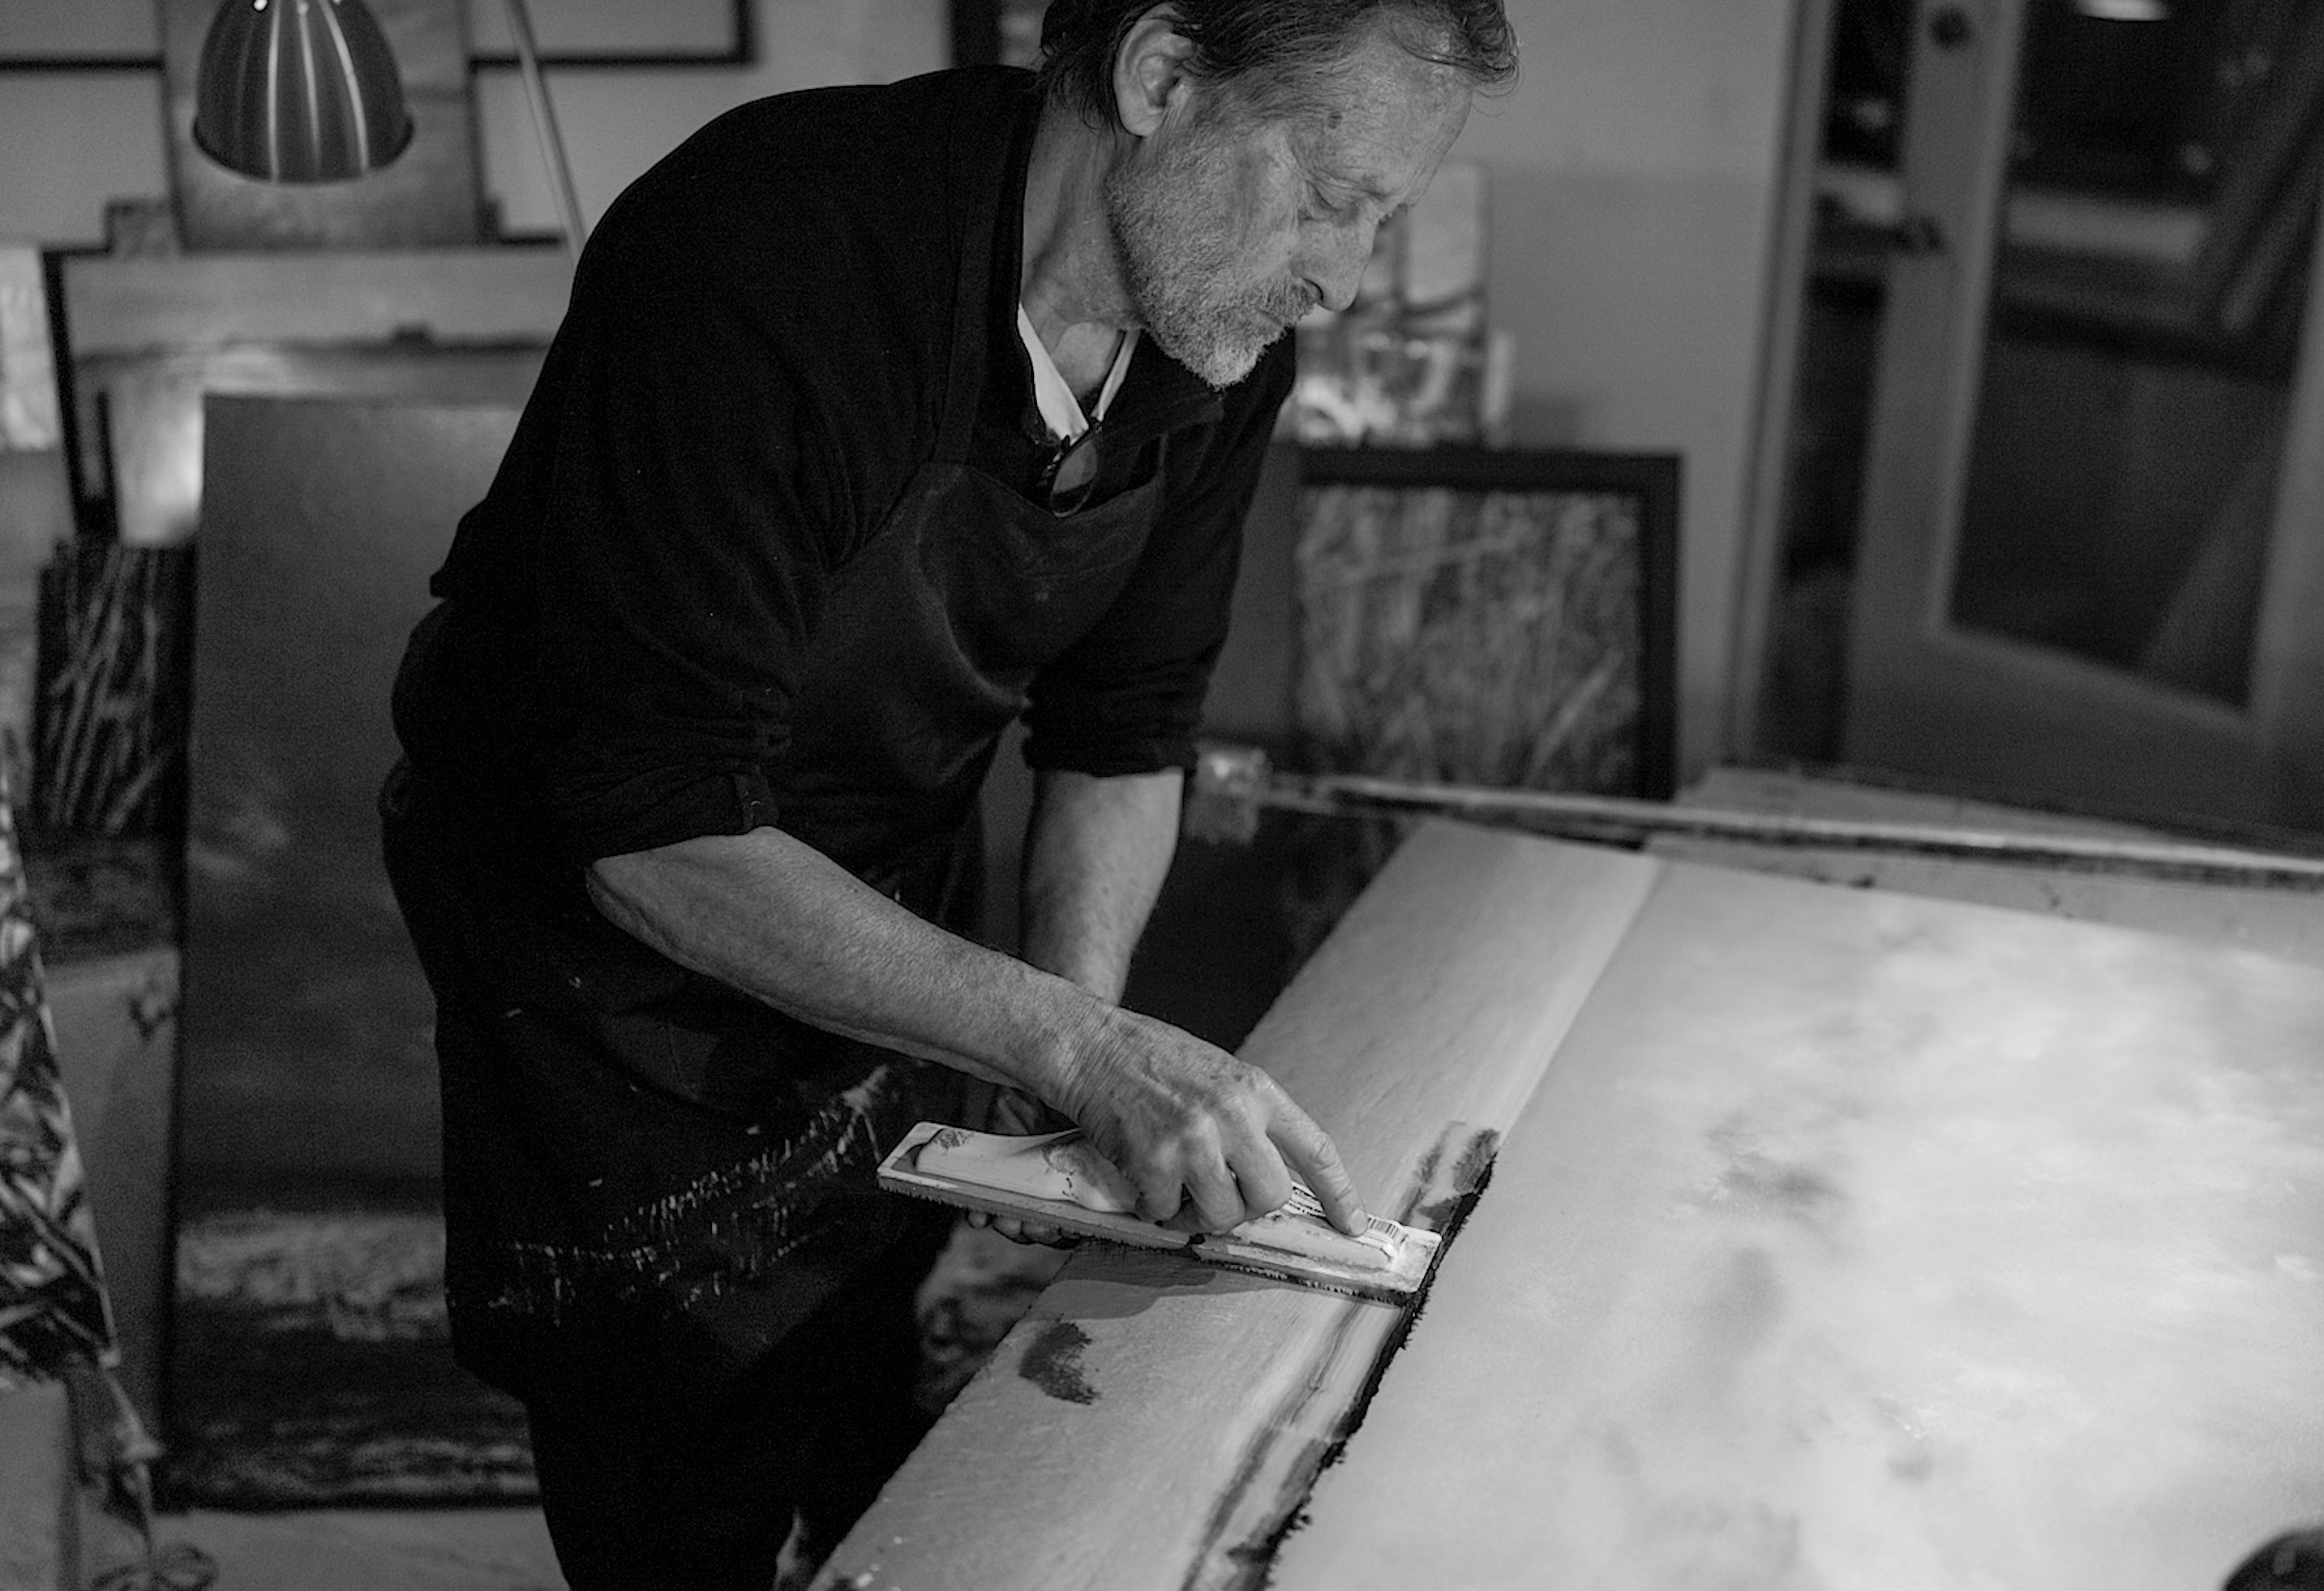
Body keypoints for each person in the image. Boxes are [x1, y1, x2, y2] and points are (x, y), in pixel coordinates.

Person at [377, 2, 1515, 1585]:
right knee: (675, 1426)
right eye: (1332, 200)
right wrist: (1080, 1044)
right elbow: (647, 820)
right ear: (1162, 78)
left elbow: (1123, 732)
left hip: (879, 864)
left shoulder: (1215, 327)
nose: (1345, 276)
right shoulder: (769, 252)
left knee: (861, 1345)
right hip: (599, 927)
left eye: (1381, 220)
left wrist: (1075, 1056)